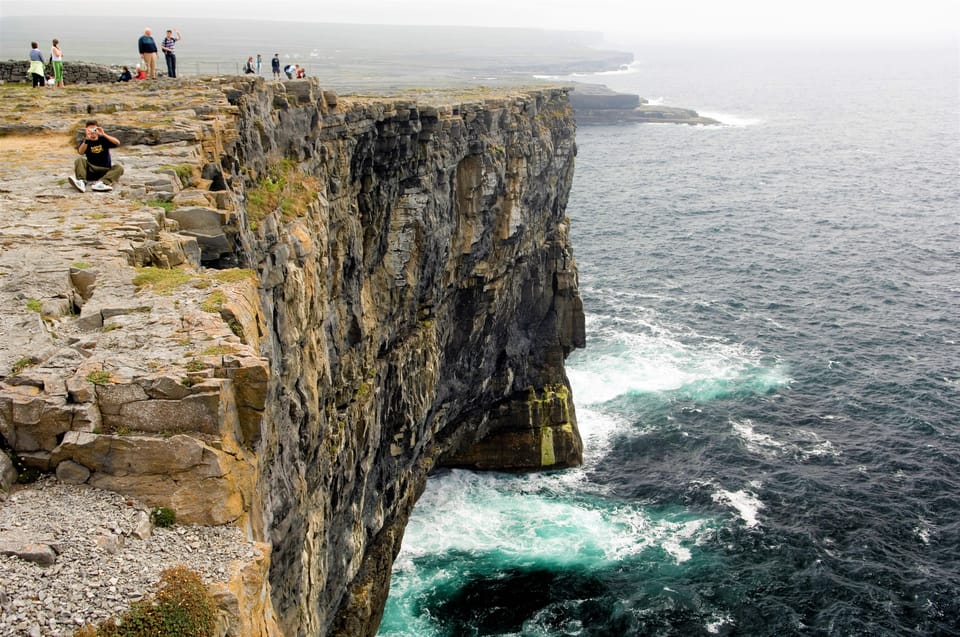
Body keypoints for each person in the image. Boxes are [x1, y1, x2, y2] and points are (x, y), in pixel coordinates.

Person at [69, 120, 124, 193]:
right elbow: (80, 152)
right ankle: (81, 182)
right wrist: (86, 140)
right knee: (80, 160)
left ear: (98, 129)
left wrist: (103, 134)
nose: (92, 131)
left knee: (119, 167)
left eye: (94, 129)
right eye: (90, 129)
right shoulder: (85, 141)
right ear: (86, 130)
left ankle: (103, 183)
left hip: (105, 170)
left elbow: (117, 143)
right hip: (91, 170)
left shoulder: (103, 139)